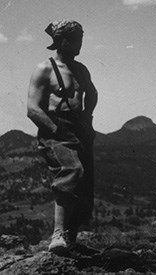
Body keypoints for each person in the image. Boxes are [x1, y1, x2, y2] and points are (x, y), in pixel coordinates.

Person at [27, 20, 98, 256]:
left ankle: (71, 239)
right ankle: (58, 234)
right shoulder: (44, 69)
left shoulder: (81, 69)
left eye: (81, 38)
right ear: (63, 40)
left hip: (80, 127)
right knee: (71, 171)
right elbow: (33, 108)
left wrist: (87, 118)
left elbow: (92, 93)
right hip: (56, 128)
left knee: (85, 182)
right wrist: (54, 130)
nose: (80, 44)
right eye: (76, 39)